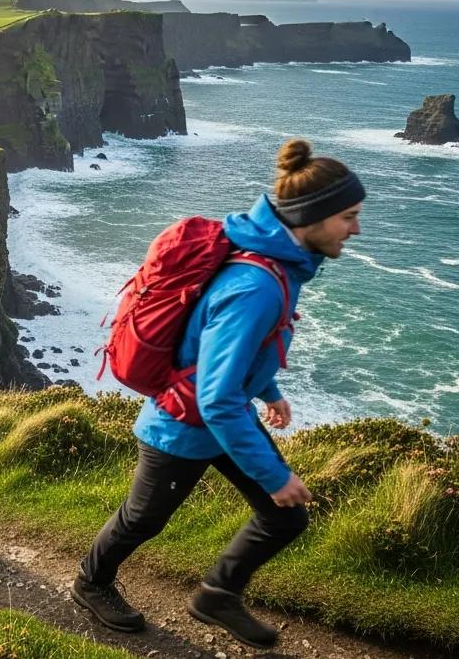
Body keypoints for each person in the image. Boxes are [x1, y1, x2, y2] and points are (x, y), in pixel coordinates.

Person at [71, 138, 365, 649]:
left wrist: (268, 389)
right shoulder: (257, 286)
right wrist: (275, 475)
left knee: (285, 516)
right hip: (182, 426)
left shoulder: (276, 264)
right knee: (142, 519)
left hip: (221, 419)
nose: (356, 229)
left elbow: (231, 351)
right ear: (310, 217)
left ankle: (217, 595)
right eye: (348, 217)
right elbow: (216, 397)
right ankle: (89, 583)